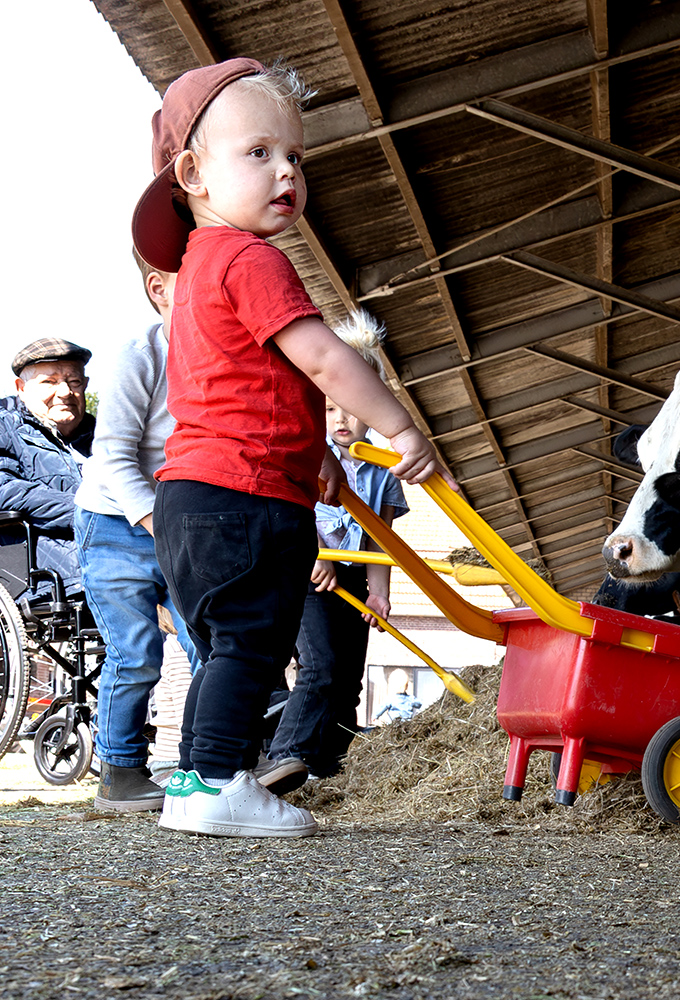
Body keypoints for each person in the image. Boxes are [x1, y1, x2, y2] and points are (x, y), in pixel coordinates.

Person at [131, 57, 451, 838]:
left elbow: (249, 390)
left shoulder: (198, 273)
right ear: (194, 174)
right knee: (254, 644)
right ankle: (216, 782)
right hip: (243, 499)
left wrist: (322, 460)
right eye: (259, 153)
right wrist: (403, 425)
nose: (286, 172)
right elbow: (323, 359)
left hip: (191, 497)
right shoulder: (252, 259)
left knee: (225, 648)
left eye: (296, 157)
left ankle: (193, 782)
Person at [74, 251, 203, 813]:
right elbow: (111, 456)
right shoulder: (141, 353)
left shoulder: (223, 356)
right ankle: (120, 772)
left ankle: (214, 761)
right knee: (136, 652)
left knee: (212, 643)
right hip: (114, 522)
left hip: (181, 520)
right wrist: (157, 524)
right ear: (160, 290)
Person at [262, 311, 408, 786]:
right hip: (305, 568)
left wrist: (379, 593)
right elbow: (294, 505)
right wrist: (317, 554)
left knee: (348, 678)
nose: (342, 420)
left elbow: (381, 536)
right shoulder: (307, 451)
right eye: (329, 409)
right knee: (320, 666)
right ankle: (286, 756)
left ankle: (332, 765)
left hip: (353, 571)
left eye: (352, 409)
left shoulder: (383, 468)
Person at [0, 339, 95, 596]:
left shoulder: (107, 435)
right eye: (49, 382)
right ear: (21, 388)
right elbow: (6, 491)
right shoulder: (4, 427)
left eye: (74, 382)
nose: (65, 391)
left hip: (120, 546)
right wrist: (90, 511)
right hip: (47, 563)